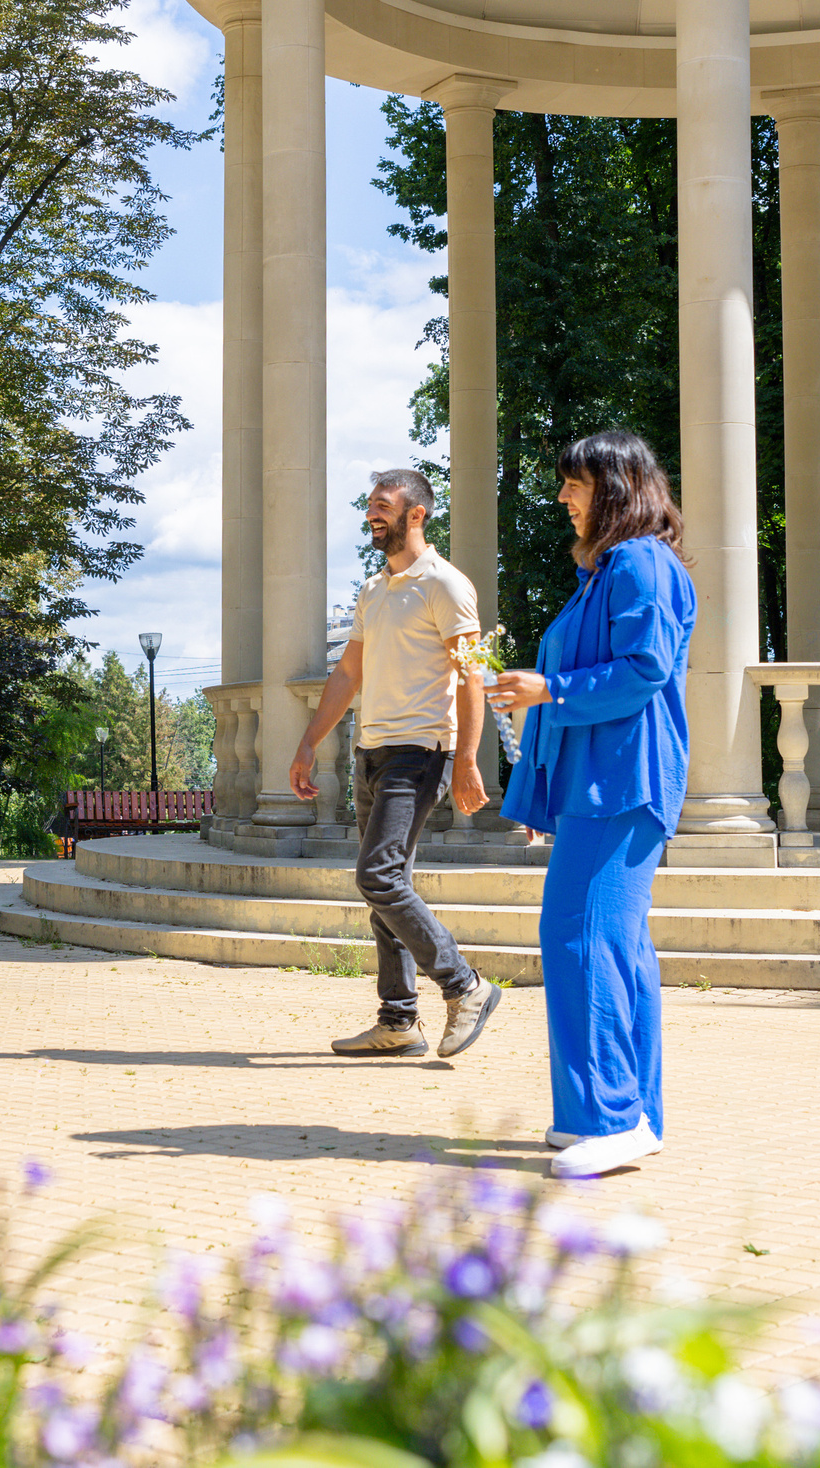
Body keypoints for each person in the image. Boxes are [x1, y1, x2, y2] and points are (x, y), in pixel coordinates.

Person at [486, 430, 694, 1178]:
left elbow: (644, 670)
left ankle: (610, 1118)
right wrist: (531, 688)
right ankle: (629, 1115)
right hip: (602, 781)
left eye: (575, 484)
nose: (564, 498)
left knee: (581, 937)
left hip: (623, 781)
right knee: (615, 944)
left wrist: (551, 690)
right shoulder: (608, 572)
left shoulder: (639, 562)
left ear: (616, 487)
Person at [290, 468, 505, 1060]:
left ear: (417, 514)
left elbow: (471, 676)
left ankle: (465, 987)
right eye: (369, 506)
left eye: (382, 506)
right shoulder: (374, 588)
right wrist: (310, 742)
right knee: (387, 888)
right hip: (371, 750)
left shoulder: (448, 585)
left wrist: (465, 759)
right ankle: (398, 1020)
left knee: (377, 876)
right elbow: (348, 673)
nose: (371, 516)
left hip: (421, 752)